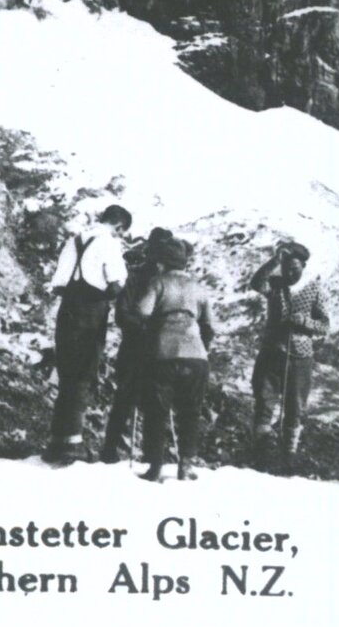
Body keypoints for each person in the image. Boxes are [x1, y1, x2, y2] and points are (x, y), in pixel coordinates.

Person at [42, 203, 131, 464]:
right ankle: (73, 444)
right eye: (121, 233)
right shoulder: (110, 243)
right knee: (84, 372)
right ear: (119, 226)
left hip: (67, 309)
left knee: (66, 370)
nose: (120, 237)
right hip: (91, 312)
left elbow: (58, 283)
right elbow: (117, 282)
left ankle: (57, 441)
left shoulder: (73, 241)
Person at [131, 236, 216, 483]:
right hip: (195, 354)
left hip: (163, 353)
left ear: (162, 263)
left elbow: (142, 312)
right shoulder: (199, 288)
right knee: (191, 411)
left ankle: (155, 465)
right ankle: (186, 465)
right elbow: (209, 325)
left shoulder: (159, 282)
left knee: (157, 410)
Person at [244, 239, 330, 469]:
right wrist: (274, 260)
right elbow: (255, 283)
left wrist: (305, 322)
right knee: (264, 400)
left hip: (300, 357)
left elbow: (324, 325)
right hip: (272, 352)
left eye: (294, 268)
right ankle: (261, 453)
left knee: (295, 407)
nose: (290, 273)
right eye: (286, 268)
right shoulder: (275, 285)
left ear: (303, 266)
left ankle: (288, 457)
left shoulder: (314, 291)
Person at [98, 227, 172, 464]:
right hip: (135, 348)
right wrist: (143, 328)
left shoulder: (170, 280)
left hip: (159, 350)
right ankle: (109, 452)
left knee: (156, 403)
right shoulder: (135, 277)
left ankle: (153, 457)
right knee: (124, 399)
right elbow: (122, 314)